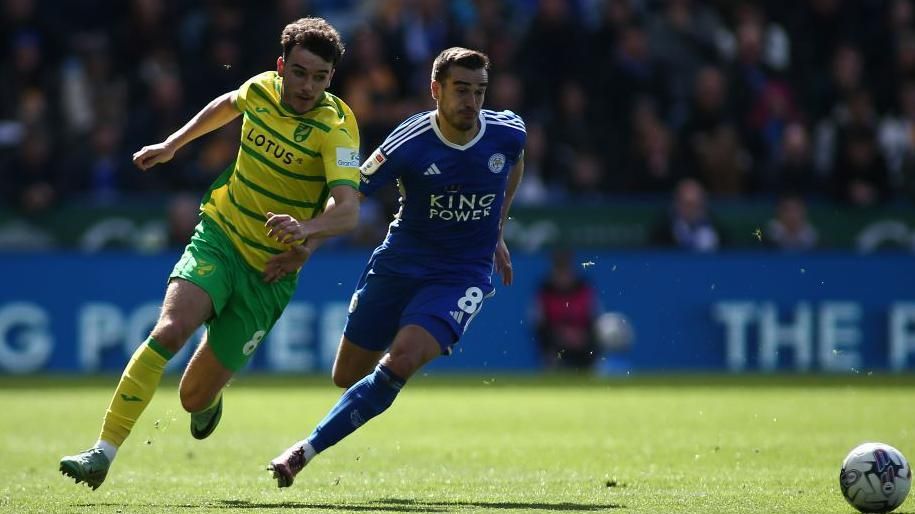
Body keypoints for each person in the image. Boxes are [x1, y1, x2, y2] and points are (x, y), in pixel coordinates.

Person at [59, 17, 361, 490]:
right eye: (299, 73)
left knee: (191, 397)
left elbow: (348, 212)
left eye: (319, 77)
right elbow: (227, 104)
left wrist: (307, 230)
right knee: (171, 329)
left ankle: (207, 401)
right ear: (281, 67)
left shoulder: (336, 128)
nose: (306, 87)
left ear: (331, 78)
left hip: (269, 271)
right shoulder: (261, 89)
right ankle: (103, 451)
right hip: (220, 235)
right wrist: (172, 144)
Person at [264, 47, 526, 488]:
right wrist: (309, 240)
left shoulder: (507, 132)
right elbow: (352, 197)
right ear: (435, 90)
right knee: (346, 376)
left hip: (462, 274)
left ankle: (303, 450)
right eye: (461, 90)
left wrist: (496, 229)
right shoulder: (409, 141)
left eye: (480, 91)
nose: (471, 102)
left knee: (401, 359)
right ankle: (365, 396)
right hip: (399, 263)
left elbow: (512, 167)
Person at [532, 250, 601, 371]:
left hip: (584, 344)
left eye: (565, 270)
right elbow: (538, 324)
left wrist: (581, 336)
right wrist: (560, 335)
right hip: (555, 345)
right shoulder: (544, 291)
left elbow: (595, 319)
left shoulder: (584, 288)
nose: (563, 276)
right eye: (559, 271)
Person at [649, 177, 725, 253]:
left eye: (696, 204)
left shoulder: (719, 232)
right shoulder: (662, 233)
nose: (691, 210)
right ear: (677, 204)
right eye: (687, 205)